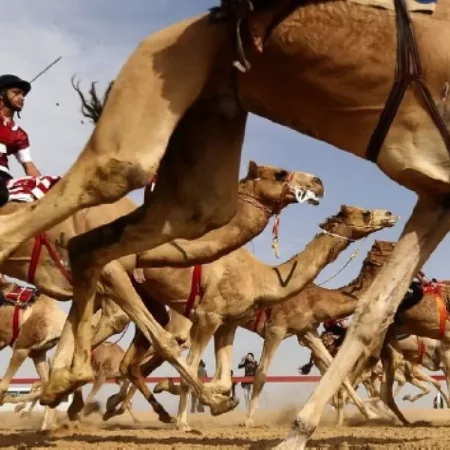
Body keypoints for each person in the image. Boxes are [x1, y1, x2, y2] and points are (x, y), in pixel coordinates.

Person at [0, 74, 41, 206]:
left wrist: (40, 183)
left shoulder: (19, 134)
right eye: (16, 93)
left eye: (23, 95)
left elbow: (28, 165)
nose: (22, 98)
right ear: (1, 94)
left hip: (3, 178)